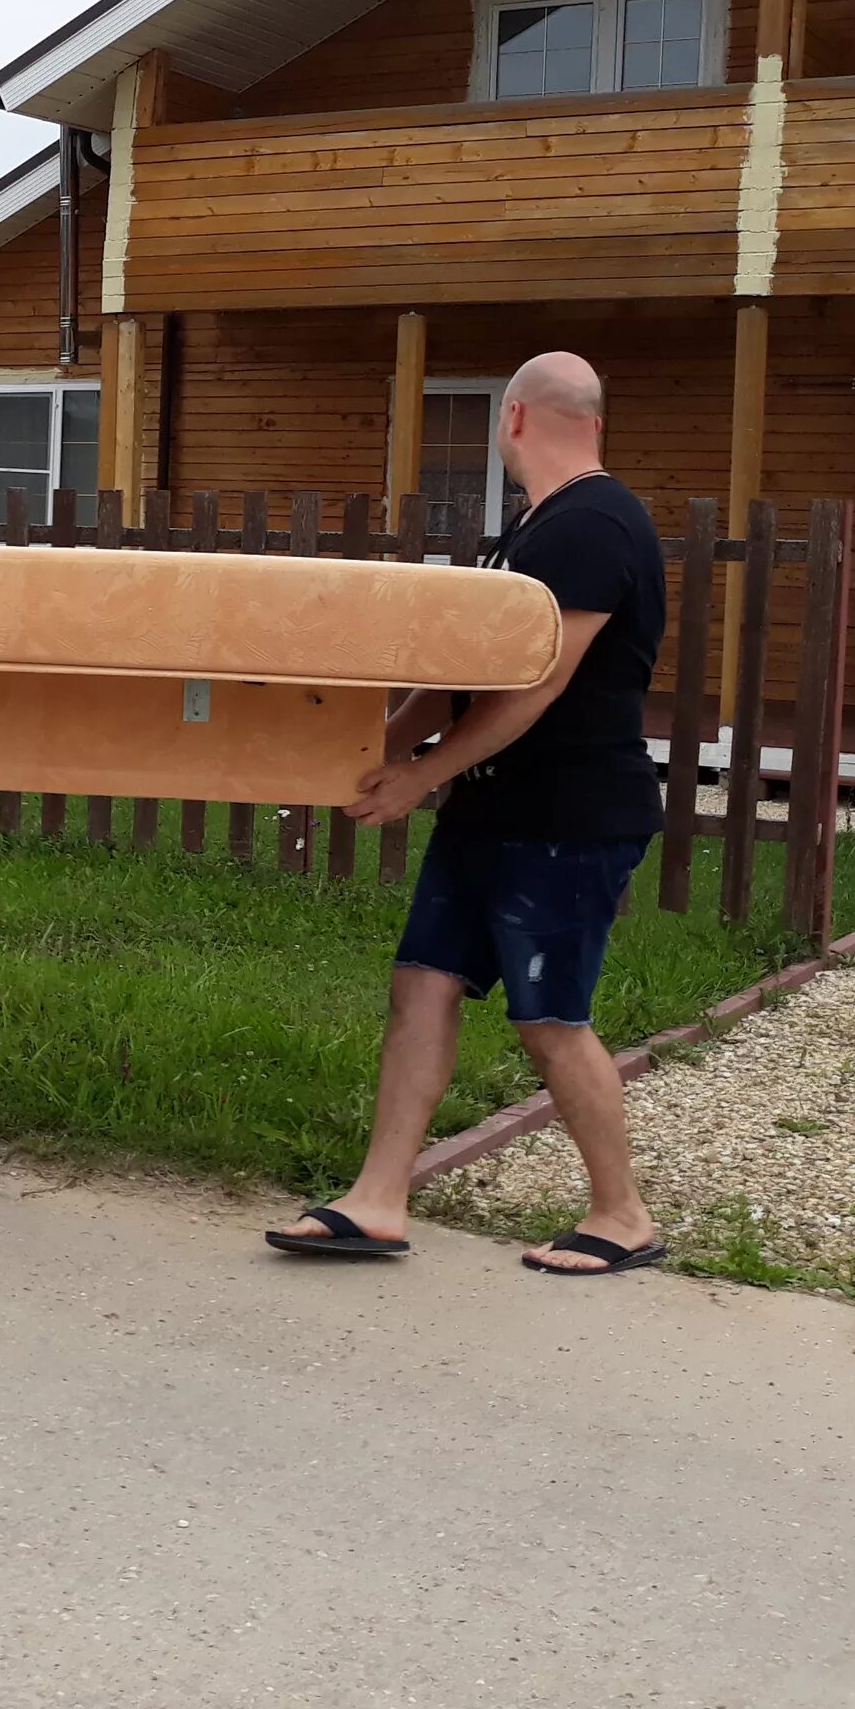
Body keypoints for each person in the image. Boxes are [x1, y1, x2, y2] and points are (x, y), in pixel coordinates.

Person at [269, 351, 669, 1277]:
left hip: (570, 816)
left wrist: (420, 778)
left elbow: (535, 686)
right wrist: (382, 750)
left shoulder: (595, 526)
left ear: (516, 419)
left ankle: (623, 1216)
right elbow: (462, 678)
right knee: (423, 983)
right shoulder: (528, 531)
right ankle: (376, 1200)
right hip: (494, 809)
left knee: (549, 1019)